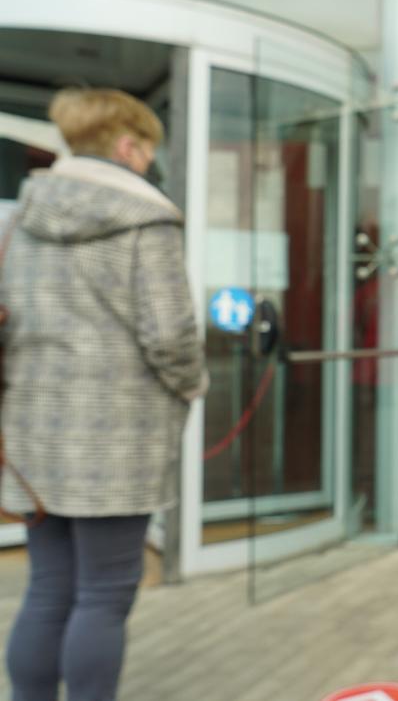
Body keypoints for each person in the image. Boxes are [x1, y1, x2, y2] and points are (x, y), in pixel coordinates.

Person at [2, 88, 207, 701]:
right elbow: (170, 334)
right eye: (147, 150)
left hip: (34, 433)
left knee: (49, 588)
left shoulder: (21, 219)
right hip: (120, 439)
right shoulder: (148, 219)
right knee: (104, 594)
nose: (149, 163)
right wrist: (193, 384)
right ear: (126, 145)